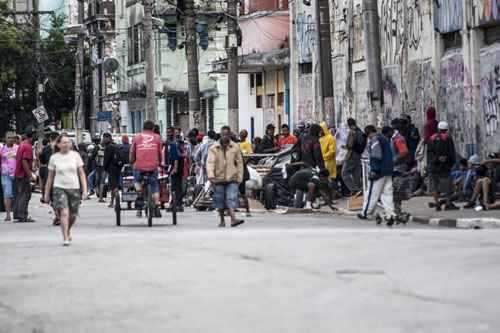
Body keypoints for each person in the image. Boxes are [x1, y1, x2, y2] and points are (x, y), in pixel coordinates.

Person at [44, 134, 88, 246]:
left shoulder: (75, 156)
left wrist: (85, 190)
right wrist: (46, 194)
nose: (66, 144)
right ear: (58, 145)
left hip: (74, 188)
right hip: (59, 188)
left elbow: (82, 174)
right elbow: (50, 178)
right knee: (64, 213)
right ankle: (65, 238)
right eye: (64, 142)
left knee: (73, 215)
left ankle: (67, 230)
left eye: (68, 142)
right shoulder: (54, 158)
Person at [206, 126, 245, 228]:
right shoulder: (213, 148)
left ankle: (233, 219)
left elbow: (240, 163)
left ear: (230, 135)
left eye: (227, 134)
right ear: (220, 135)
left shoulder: (235, 147)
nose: (225, 136)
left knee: (231, 198)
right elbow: (210, 163)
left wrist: (240, 177)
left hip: (232, 177)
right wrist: (211, 176)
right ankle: (222, 220)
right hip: (218, 178)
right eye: (223, 134)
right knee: (220, 200)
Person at [357, 125, 396, 226]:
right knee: (387, 194)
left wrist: (374, 170)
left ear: (370, 132)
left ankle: (365, 213)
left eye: (367, 135)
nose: (368, 137)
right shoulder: (384, 139)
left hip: (379, 171)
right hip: (388, 170)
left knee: (372, 192)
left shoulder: (375, 140)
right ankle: (390, 214)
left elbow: (376, 156)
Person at [130, 121, 163, 218]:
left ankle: (139, 192)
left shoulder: (136, 137)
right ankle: (157, 206)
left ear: (143, 128)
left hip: (139, 166)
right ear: (153, 128)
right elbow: (160, 153)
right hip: (153, 166)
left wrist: (132, 161)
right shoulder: (157, 137)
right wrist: (160, 163)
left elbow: (132, 152)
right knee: (154, 185)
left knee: (136, 180)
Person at [427, 121, 458, 211]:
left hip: (434, 167)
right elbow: (452, 153)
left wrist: (436, 159)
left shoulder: (431, 139)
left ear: (438, 129)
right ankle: (448, 203)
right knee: (448, 186)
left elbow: (429, 154)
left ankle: (437, 204)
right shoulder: (448, 139)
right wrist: (449, 162)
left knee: (435, 186)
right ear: (446, 129)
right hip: (445, 167)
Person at [383, 123, 410, 219]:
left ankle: (397, 209)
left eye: (387, 135)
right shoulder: (393, 138)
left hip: (399, 168)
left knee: (397, 190)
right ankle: (395, 209)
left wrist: (393, 162)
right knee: (393, 189)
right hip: (395, 168)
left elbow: (404, 152)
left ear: (390, 132)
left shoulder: (398, 139)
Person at [13, 127, 36, 223]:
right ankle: (22, 215)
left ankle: (18, 214)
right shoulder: (27, 146)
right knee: (25, 195)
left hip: (18, 174)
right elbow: (24, 161)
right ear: (33, 135)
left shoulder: (22, 144)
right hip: (23, 175)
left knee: (19, 195)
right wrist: (30, 175)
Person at [342, 118, 365, 195]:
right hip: (358, 154)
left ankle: (355, 189)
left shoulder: (352, 132)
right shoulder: (360, 131)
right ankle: (359, 192)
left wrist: (345, 146)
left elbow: (350, 145)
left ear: (349, 125)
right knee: (356, 174)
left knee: (344, 173)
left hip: (352, 154)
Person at [0, 132, 19, 221]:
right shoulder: (2, 149)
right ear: (5, 139)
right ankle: (8, 215)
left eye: (12, 138)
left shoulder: (18, 148)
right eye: (8, 138)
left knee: (17, 194)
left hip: (16, 174)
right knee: (7, 194)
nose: (10, 139)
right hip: (5, 174)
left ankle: (17, 212)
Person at [103, 133, 122, 208]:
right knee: (114, 186)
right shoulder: (116, 146)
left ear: (108, 138)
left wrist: (105, 169)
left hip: (111, 169)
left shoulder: (108, 147)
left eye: (104, 138)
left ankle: (115, 202)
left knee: (113, 187)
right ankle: (113, 202)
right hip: (117, 169)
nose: (103, 140)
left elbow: (106, 160)